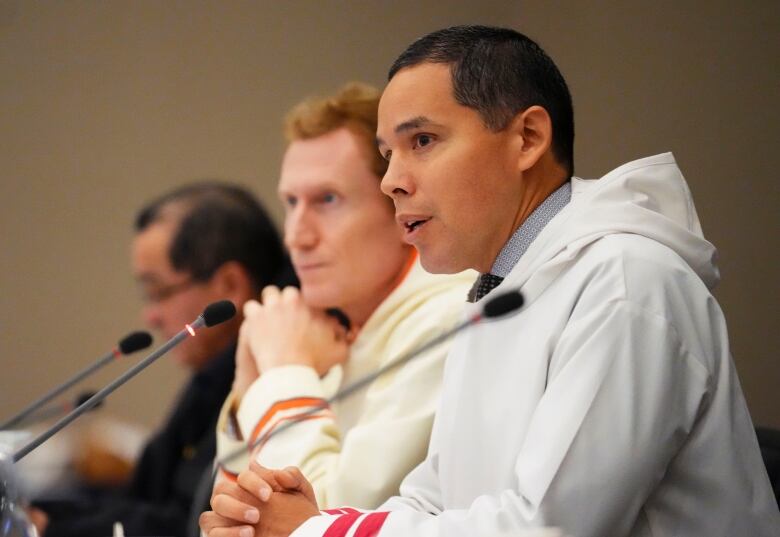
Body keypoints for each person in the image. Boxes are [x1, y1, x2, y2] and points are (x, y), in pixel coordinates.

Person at [200, 25, 780, 537]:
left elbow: (549, 528)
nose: (391, 182)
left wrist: (315, 534)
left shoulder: (627, 282)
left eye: (421, 142)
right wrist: (304, 521)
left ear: (527, 139)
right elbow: (433, 500)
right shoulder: (500, 291)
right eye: (386, 154)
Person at [212, 82, 474, 518]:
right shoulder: (328, 327)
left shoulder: (447, 320)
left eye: (327, 200)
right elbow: (229, 521)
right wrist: (248, 390)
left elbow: (322, 522)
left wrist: (282, 373)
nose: (297, 235)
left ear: (398, 204)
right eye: (291, 202)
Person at [34, 182, 293, 537]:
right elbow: (145, 498)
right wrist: (44, 515)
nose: (150, 317)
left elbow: (190, 522)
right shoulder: (211, 372)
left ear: (230, 285)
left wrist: (52, 528)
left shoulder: (274, 374)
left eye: (159, 292)